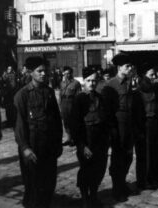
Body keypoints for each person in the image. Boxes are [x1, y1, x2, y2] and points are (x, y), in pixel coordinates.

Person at [14, 56, 63, 208]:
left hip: (49, 148)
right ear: (30, 72)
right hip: (32, 149)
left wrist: (58, 143)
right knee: (33, 187)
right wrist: (25, 148)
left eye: (45, 71)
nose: (44, 74)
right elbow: (19, 125)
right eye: (39, 71)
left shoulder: (49, 92)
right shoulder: (22, 95)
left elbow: (56, 120)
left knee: (49, 185)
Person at [71, 67, 111, 208]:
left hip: (100, 141)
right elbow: (75, 125)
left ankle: (93, 196)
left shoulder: (100, 97)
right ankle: (85, 199)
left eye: (94, 80)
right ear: (84, 81)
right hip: (87, 140)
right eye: (89, 80)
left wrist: (107, 140)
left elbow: (105, 120)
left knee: (99, 169)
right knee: (86, 170)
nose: (92, 83)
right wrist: (82, 146)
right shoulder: (79, 99)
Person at [102, 53, 135, 201]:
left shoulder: (129, 82)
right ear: (119, 67)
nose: (130, 68)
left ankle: (122, 182)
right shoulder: (111, 85)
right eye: (127, 66)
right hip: (118, 125)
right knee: (118, 157)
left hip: (129, 124)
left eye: (130, 66)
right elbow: (107, 110)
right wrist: (111, 130)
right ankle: (117, 187)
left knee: (128, 155)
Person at [135, 62, 158, 190]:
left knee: (152, 152)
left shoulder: (153, 87)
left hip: (153, 122)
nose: (154, 76)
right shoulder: (140, 90)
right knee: (145, 153)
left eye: (154, 74)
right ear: (144, 75)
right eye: (151, 74)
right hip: (144, 123)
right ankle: (144, 180)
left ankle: (150, 177)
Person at [59, 66, 81, 146]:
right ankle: (68, 138)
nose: (67, 75)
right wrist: (60, 106)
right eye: (65, 73)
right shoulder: (62, 83)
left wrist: (77, 107)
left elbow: (78, 96)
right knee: (65, 122)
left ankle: (73, 139)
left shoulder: (76, 83)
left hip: (72, 103)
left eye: (68, 73)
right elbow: (60, 95)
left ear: (71, 73)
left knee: (73, 122)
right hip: (64, 103)